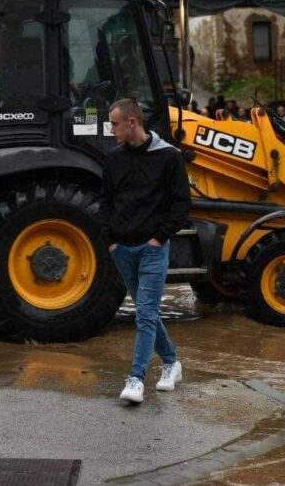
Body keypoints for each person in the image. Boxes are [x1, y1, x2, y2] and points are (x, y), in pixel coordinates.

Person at [99, 98, 190, 404]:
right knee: (146, 312)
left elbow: (181, 205)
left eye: (114, 123)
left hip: (152, 248)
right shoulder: (113, 160)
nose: (111, 129)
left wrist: (159, 238)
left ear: (132, 123)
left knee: (146, 314)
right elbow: (106, 203)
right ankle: (171, 362)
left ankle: (136, 379)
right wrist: (111, 240)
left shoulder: (169, 158)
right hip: (121, 248)